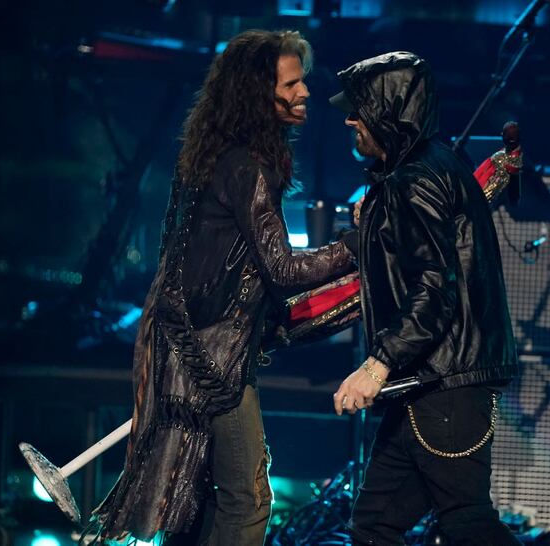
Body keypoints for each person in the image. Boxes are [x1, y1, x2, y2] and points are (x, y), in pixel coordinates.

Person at [89, 29, 356, 545]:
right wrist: (356, 244)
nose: (305, 94)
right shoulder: (251, 168)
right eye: (293, 84)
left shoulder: (217, 157)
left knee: (199, 497)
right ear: (259, 94)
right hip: (213, 359)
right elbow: (282, 270)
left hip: (192, 349)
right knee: (248, 498)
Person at [329, 51, 521, 546]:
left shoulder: (414, 181)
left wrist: (375, 365)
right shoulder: (431, 167)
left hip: (444, 383)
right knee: (374, 525)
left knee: (467, 521)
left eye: (361, 108)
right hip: (429, 381)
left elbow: (434, 288)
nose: (350, 118)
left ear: (389, 111)